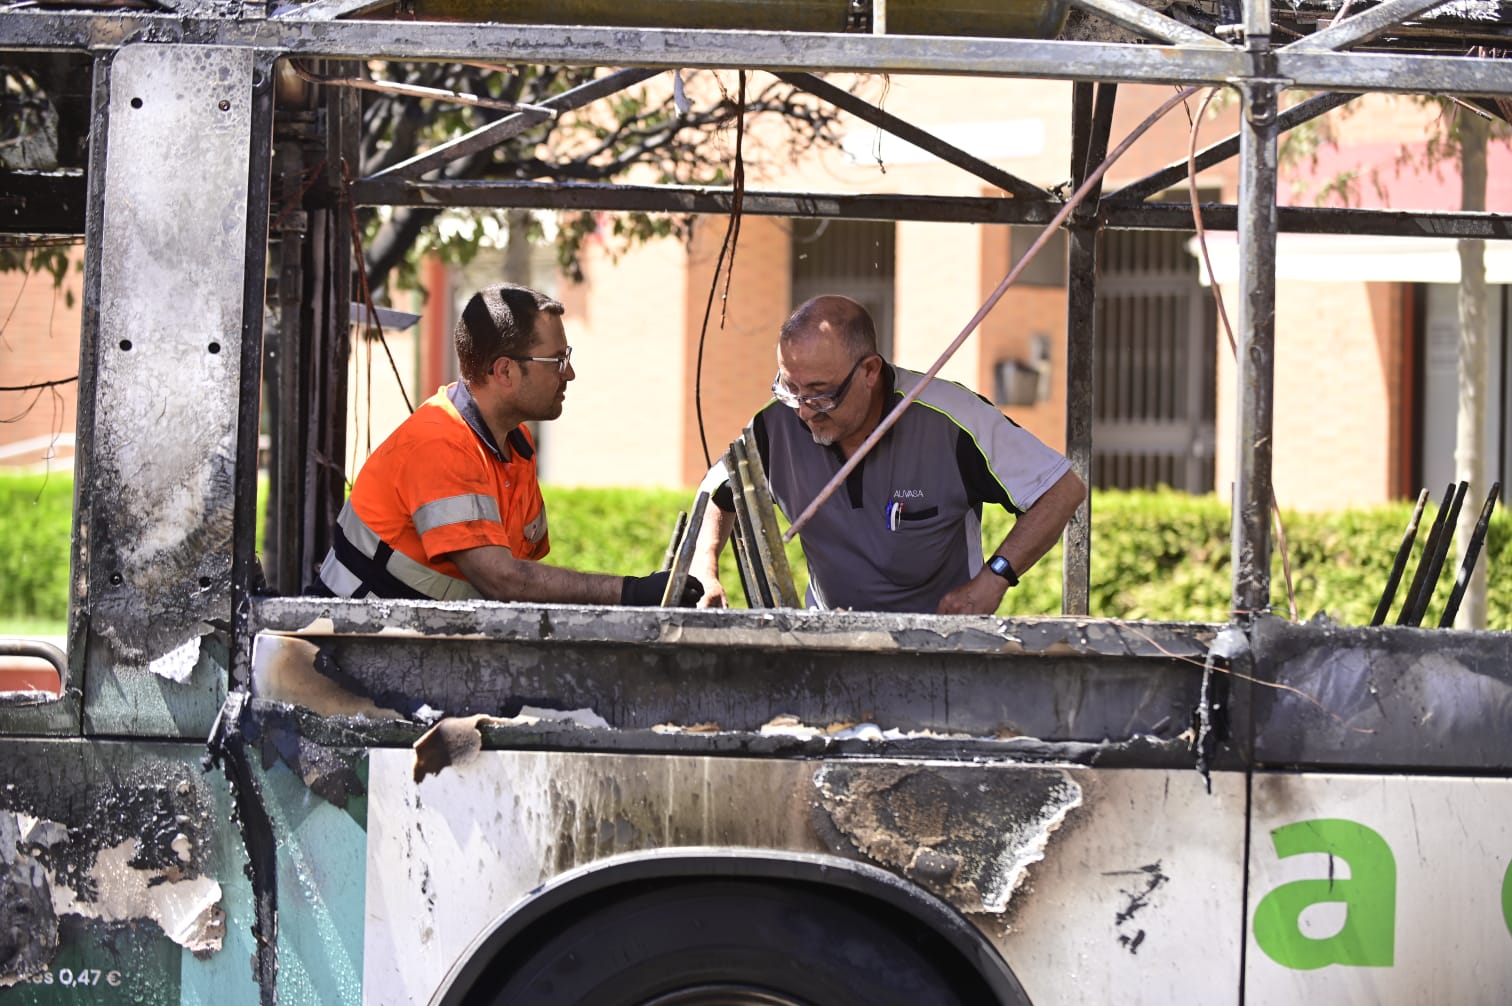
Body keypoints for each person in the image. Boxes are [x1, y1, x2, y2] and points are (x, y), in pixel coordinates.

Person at [693, 295, 1084, 615]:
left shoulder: (952, 419)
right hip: (829, 646)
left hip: (938, 647)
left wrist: (994, 577)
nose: (805, 410)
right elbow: (720, 490)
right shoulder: (774, 425)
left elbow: (1061, 489)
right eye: (789, 387)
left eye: (821, 392)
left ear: (869, 371)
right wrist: (704, 564)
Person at [316, 282, 701, 607]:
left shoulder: (516, 445)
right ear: (505, 371)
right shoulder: (439, 443)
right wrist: (629, 593)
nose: (569, 373)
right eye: (557, 360)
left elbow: (525, 582)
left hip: (406, 651)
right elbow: (502, 580)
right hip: (346, 655)